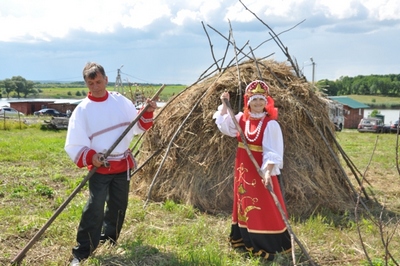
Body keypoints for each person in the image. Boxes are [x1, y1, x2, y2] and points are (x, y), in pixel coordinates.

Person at [64, 62, 157, 266]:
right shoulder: (82, 111)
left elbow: (138, 125)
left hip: (122, 165)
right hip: (100, 167)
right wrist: (91, 157)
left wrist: (148, 111)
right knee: (94, 207)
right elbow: (74, 143)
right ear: (86, 84)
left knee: (118, 206)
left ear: (106, 79)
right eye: (91, 83)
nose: (96, 86)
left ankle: (109, 240)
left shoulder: (120, 102)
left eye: (98, 81)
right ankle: (83, 252)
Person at [213, 80, 291, 261]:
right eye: (254, 100)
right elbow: (224, 127)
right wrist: (225, 104)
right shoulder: (241, 118)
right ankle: (243, 237)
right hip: (242, 168)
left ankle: (267, 241)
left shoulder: (270, 124)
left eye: (261, 100)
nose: (258, 104)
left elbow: (273, 151)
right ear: (248, 101)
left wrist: (267, 172)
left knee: (263, 202)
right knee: (243, 201)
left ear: (266, 102)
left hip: (260, 169)